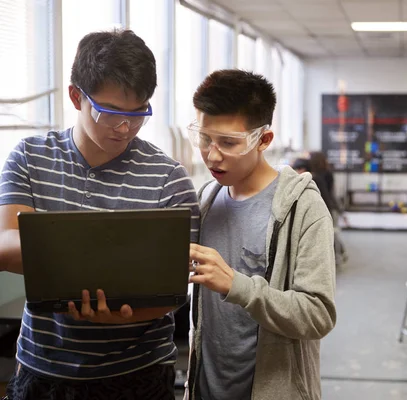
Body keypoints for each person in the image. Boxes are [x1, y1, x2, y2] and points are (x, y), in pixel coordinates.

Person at [0, 30, 200, 400]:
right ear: (77, 96)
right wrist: (104, 255)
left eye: (138, 114)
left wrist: (123, 314)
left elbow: (175, 289)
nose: (125, 128)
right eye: (110, 113)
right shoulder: (29, 157)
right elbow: (7, 247)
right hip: (44, 369)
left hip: (137, 373)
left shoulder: (168, 178)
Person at [185, 70, 336, 400]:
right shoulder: (206, 201)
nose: (212, 155)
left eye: (228, 143)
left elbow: (318, 315)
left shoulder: (303, 209)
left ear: (263, 140)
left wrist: (236, 285)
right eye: (205, 138)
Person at [308, 151, 349, 265]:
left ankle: (338, 254)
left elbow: (328, 193)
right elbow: (332, 193)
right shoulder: (326, 173)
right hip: (329, 206)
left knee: (330, 233)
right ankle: (340, 253)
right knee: (331, 233)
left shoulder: (316, 176)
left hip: (326, 206)